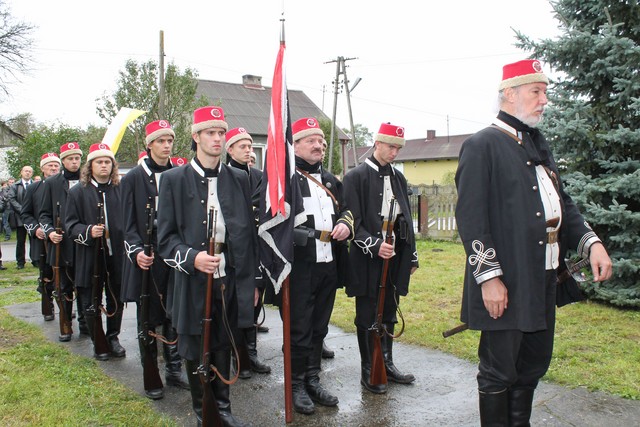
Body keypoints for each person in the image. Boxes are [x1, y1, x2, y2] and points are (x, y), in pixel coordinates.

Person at [454, 59, 613, 426]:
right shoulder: (482, 144)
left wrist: (591, 243)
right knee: (498, 371)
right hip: (506, 280)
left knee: (532, 365)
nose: (544, 100)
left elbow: (562, 203)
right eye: (536, 91)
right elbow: (471, 219)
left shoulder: (535, 142)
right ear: (510, 94)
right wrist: (489, 279)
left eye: (545, 92)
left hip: (543, 278)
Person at [157, 106, 255, 427]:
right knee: (196, 344)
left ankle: (223, 409)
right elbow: (165, 240)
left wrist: (251, 280)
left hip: (228, 277)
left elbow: (247, 235)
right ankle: (204, 412)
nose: (217, 138)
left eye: (221, 133)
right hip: (192, 279)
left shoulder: (239, 178)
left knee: (224, 341)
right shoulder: (173, 179)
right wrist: (192, 258)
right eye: (210, 133)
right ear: (196, 137)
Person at [267, 117, 353, 415]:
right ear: (296, 145)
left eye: (322, 142)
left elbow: (347, 209)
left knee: (319, 328)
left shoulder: (330, 180)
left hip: (328, 264)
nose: (319, 145)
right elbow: (267, 219)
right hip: (299, 267)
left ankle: (313, 380)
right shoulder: (283, 180)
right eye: (312, 141)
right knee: (299, 330)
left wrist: (345, 224)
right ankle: (296, 385)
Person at [343, 122, 419, 395]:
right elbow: (352, 221)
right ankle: (369, 369)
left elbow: (406, 218)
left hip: (395, 254)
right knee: (368, 313)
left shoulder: (399, 178)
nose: (394, 152)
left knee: (389, 309)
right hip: (367, 257)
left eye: (398, 148)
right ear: (377, 144)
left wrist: (412, 256)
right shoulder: (355, 177)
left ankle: (387, 364)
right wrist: (374, 245)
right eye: (390, 146)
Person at [120, 120, 189, 399]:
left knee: (174, 314)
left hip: (174, 256)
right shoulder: (133, 178)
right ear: (150, 145)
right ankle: (151, 375)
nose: (166, 145)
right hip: (147, 257)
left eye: (169, 140)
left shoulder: (180, 174)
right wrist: (137, 251)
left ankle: (174, 369)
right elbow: (127, 224)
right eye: (161, 141)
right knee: (148, 318)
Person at [65, 143, 126, 361]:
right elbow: (70, 225)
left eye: (107, 162)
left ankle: (113, 337)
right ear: (90, 166)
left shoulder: (120, 189)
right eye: (99, 162)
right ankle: (98, 340)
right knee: (90, 299)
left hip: (115, 254)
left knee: (116, 298)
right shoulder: (77, 192)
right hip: (90, 254)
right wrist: (88, 231)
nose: (104, 165)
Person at [225, 127, 271, 379]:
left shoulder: (259, 176)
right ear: (230, 149)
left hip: (259, 247)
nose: (248, 151)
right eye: (242, 146)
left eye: (250, 146)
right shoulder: (224, 176)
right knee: (237, 305)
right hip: (236, 250)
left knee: (255, 300)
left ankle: (251, 353)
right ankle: (237, 354)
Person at [40, 142, 87, 341]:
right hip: (61, 243)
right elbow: (44, 214)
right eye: (70, 158)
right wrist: (50, 232)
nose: (74, 162)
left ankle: (85, 322)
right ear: (63, 161)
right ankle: (66, 322)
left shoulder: (87, 180)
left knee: (85, 285)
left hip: (83, 242)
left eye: (77, 158)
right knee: (63, 287)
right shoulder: (51, 183)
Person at [20, 153, 61, 320]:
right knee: (46, 274)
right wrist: (36, 229)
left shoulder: (64, 185)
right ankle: (48, 306)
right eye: (50, 165)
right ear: (42, 168)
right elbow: (25, 214)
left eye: (56, 165)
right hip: (42, 240)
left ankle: (64, 304)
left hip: (61, 238)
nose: (53, 168)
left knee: (64, 275)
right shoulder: (33, 188)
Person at [8, 165, 34, 269]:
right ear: (21, 172)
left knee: (34, 240)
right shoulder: (15, 186)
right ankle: (20, 262)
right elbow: (12, 199)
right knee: (20, 240)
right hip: (20, 217)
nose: (27, 173)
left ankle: (35, 260)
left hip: (33, 217)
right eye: (26, 171)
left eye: (30, 171)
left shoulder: (35, 185)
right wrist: (23, 210)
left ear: (32, 173)